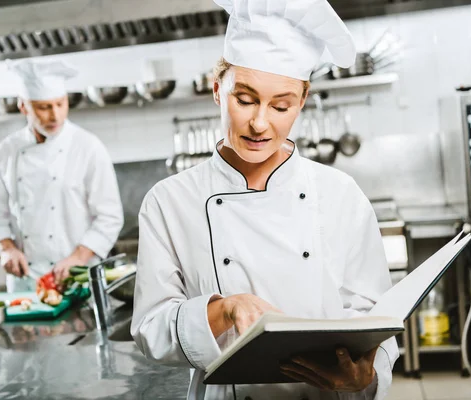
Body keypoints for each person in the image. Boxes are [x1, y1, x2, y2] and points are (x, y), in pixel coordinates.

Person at [131, 1, 399, 399]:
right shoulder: (169, 202)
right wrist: (222, 311)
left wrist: (367, 376)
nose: (260, 123)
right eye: (245, 99)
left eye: (281, 105)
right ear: (217, 89)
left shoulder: (340, 194)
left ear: (303, 99)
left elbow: (375, 319)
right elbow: (151, 329)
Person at [0, 59, 124, 292]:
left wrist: (78, 258)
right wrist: (6, 248)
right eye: (44, 107)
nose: (55, 115)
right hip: (26, 282)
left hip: (78, 276)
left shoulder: (87, 147)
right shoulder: (7, 150)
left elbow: (110, 217)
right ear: (23, 107)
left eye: (60, 104)